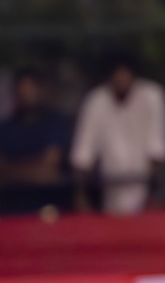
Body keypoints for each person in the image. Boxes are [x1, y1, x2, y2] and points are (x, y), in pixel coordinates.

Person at [71, 54, 165, 215]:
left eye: (125, 73)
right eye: (117, 73)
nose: (121, 78)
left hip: (146, 190)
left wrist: (155, 193)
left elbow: (156, 149)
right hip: (108, 194)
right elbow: (83, 155)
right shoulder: (96, 100)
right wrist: (80, 194)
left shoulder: (152, 96)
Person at [0, 68, 71, 216]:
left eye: (30, 89)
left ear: (41, 91)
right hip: (10, 212)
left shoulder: (56, 124)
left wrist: (11, 171)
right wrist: (33, 170)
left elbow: (48, 172)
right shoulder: (3, 129)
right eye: (22, 89)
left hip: (48, 211)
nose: (26, 94)